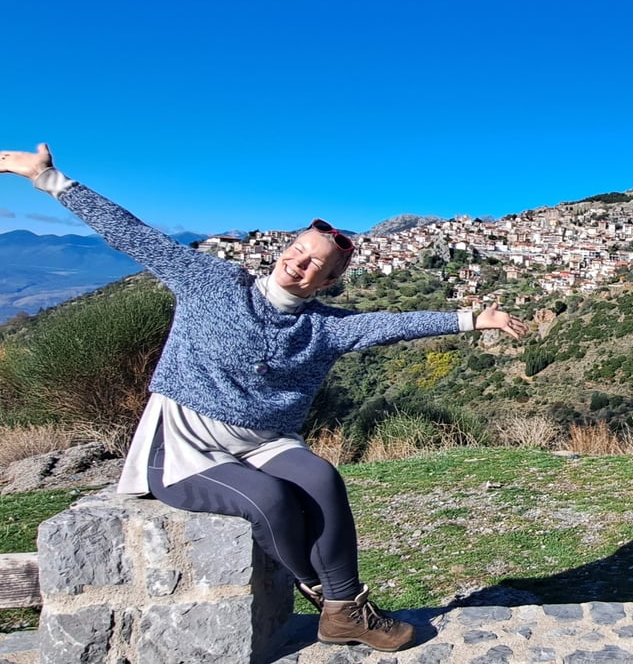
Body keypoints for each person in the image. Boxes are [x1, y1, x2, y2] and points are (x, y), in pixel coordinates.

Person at [0, 143, 527, 652]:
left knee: (323, 479)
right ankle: (318, 590)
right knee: (271, 501)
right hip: (185, 445)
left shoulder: (323, 329)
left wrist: (475, 319)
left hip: (263, 439)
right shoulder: (212, 282)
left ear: (328, 281)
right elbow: (133, 235)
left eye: (313, 264)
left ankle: (346, 610)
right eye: (297, 251)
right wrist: (49, 179)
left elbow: (392, 324)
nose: (298, 264)